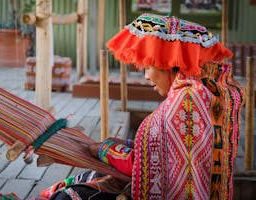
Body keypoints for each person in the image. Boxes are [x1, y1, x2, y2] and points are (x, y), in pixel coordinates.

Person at [42, 13, 244, 200]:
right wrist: (128, 144)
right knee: (91, 178)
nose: (146, 76)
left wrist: (103, 149)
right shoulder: (204, 92)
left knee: (70, 195)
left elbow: (144, 167)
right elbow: (166, 152)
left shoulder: (185, 101)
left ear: (169, 63)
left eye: (148, 66)